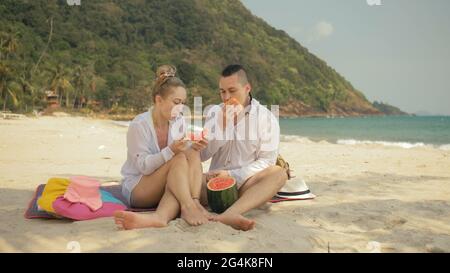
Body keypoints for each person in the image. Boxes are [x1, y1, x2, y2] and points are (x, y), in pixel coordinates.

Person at [114, 65, 211, 230]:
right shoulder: (139, 125)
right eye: (176, 102)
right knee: (178, 158)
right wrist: (172, 150)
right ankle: (188, 206)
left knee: (190, 154)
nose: (181, 109)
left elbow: (186, 157)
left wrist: (194, 147)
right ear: (159, 100)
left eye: (183, 103)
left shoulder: (178, 120)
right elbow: (144, 167)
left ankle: (164, 216)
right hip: (138, 187)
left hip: (167, 182)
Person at [198, 64, 288, 231]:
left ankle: (231, 213)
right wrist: (221, 127)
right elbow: (201, 155)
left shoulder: (266, 118)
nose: (226, 97)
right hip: (212, 186)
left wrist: (232, 175)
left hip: (245, 186)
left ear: (247, 88)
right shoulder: (214, 113)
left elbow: (267, 161)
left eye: (232, 91)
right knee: (182, 178)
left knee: (279, 173)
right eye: (222, 91)